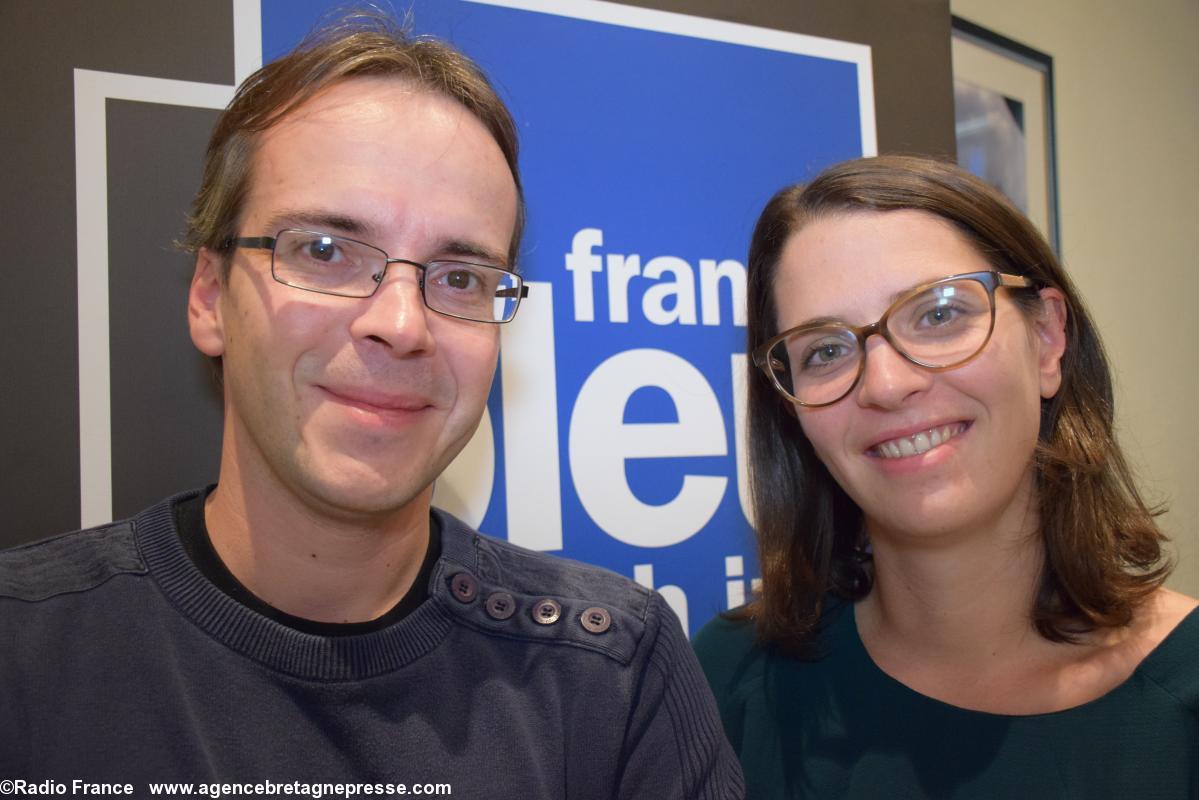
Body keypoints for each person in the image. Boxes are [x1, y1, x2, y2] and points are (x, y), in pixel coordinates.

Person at [0, 12, 743, 798]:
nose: (399, 323)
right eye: (323, 251)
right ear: (211, 297)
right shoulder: (24, 652)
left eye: (460, 276)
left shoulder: (610, 671)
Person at [694, 154, 1198, 798]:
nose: (887, 384)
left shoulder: (1182, 695)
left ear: (1046, 338)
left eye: (937, 315)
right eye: (825, 350)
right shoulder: (734, 678)